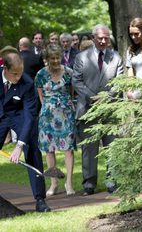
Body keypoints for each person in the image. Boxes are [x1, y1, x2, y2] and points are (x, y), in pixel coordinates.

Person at [72, 24, 123, 195]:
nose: (103, 41)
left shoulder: (116, 57)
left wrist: (107, 97)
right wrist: (93, 97)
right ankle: (89, 183)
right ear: (93, 38)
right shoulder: (81, 57)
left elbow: (119, 81)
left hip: (110, 108)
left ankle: (112, 181)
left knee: (112, 146)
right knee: (89, 149)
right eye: (100, 38)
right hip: (88, 108)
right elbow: (76, 81)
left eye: (106, 38)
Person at [0, 51, 50, 212]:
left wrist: (19, 145)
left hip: (19, 115)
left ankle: (40, 199)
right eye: (14, 74)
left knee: (33, 147)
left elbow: (29, 116)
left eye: (20, 73)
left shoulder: (27, 83)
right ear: (5, 69)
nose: (18, 77)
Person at [35, 44, 76, 196]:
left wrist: (66, 107)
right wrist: (48, 110)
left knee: (68, 150)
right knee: (49, 150)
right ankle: (53, 183)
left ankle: (69, 183)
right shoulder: (40, 74)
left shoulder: (69, 73)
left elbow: (71, 94)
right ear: (47, 59)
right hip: (47, 116)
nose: (55, 60)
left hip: (66, 114)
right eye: (52, 58)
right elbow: (41, 97)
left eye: (57, 57)